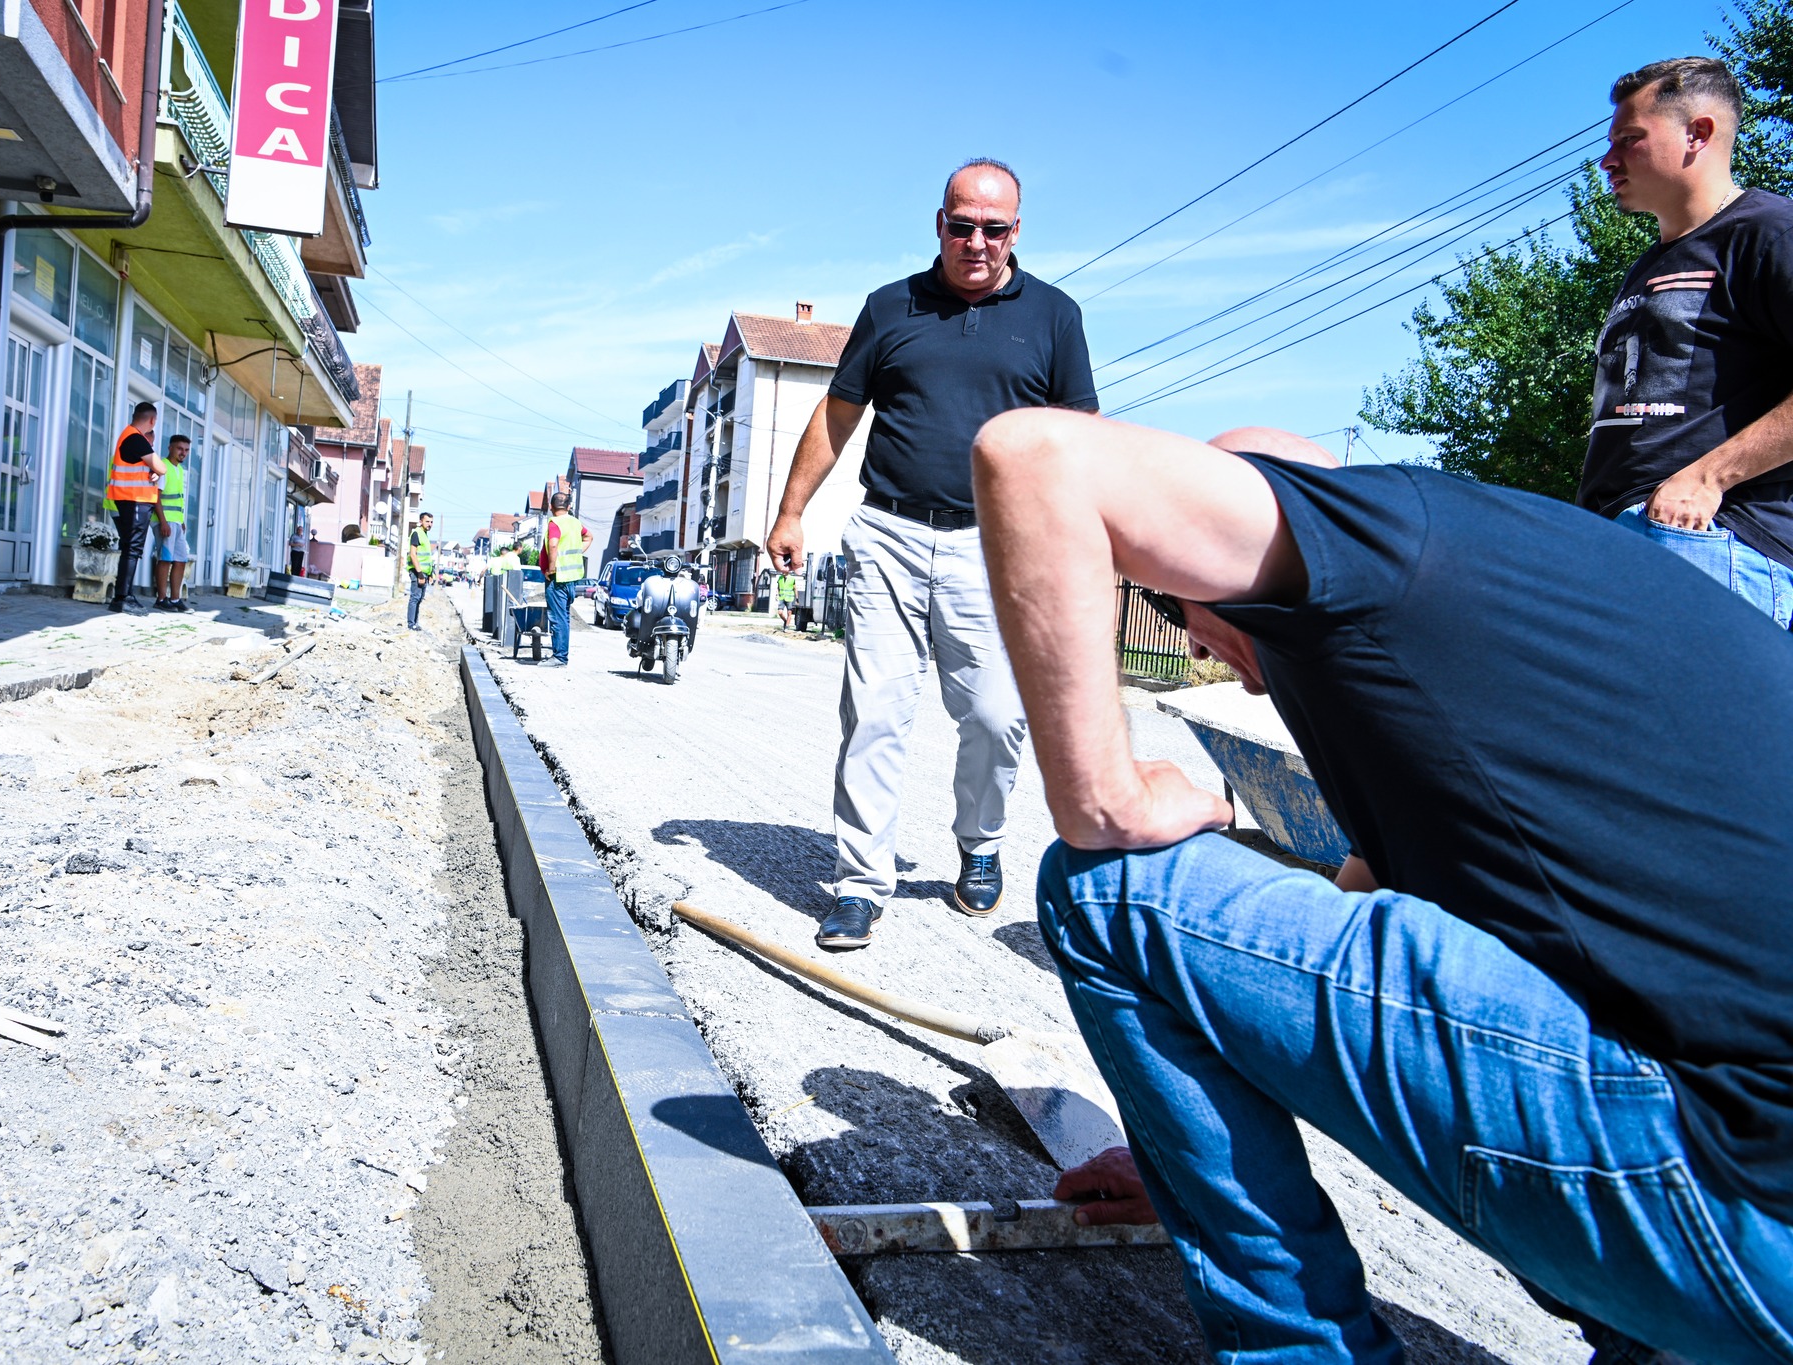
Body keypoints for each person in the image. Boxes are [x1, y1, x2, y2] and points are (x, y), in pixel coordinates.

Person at [971, 407, 1793, 1362]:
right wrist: (1190, 1147)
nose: (1192, 644)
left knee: (1110, 888)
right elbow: (1333, 967)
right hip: (1762, 1204)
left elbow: (1034, 455)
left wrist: (1107, 799)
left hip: (1740, 1196)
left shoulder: (1374, 542)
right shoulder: (1534, 595)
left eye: (1173, 596)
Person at [764, 158, 1098, 949]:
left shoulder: (1055, 316)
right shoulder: (891, 307)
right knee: (874, 712)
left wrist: (1078, 543)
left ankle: (980, 842)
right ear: (939, 223)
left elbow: (1079, 441)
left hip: (994, 545)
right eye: (963, 225)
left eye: (993, 228)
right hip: (889, 533)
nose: (976, 241)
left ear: (1016, 231)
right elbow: (839, 413)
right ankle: (859, 883)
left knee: (995, 715)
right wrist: (791, 510)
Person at [1579, 56, 1793, 626]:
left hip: (1708, 541)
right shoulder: (1649, 265)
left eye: (1629, 139)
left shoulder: (1771, 231)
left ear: (1698, 133)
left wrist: (1707, 478)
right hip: (1616, 540)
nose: (1608, 160)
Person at [104, 401, 166, 614]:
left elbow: (152, 469)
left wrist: (154, 470)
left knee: (131, 548)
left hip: (131, 499)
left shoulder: (129, 437)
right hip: (135, 500)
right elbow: (161, 467)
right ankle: (123, 597)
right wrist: (157, 469)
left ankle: (125, 594)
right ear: (152, 420)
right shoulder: (135, 438)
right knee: (132, 549)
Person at [537, 491, 588, 668]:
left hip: (557, 579)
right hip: (571, 579)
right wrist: (576, 553)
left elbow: (553, 544)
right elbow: (589, 537)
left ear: (551, 507)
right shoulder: (575, 523)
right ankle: (561, 655)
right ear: (569, 507)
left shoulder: (555, 523)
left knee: (557, 618)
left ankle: (559, 657)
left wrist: (551, 568)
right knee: (563, 617)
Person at [151, 435, 193, 612]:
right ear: (170, 448)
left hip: (176, 522)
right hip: (165, 522)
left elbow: (177, 498)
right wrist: (163, 522)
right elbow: (156, 497)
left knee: (181, 560)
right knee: (165, 560)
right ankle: (161, 599)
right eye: (179, 449)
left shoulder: (180, 470)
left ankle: (175, 599)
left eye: (186, 450)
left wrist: (181, 521)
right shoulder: (163, 467)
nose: (183, 453)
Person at [405, 512, 435, 632]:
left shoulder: (425, 535)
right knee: (415, 597)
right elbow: (413, 554)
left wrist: (430, 573)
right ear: (421, 521)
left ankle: (415, 623)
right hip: (417, 572)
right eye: (427, 521)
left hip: (424, 573)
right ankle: (411, 624)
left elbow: (427, 558)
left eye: (431, 522)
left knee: (419, 598)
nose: (430, 524)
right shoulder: (416, 533)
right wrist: (420, 574)